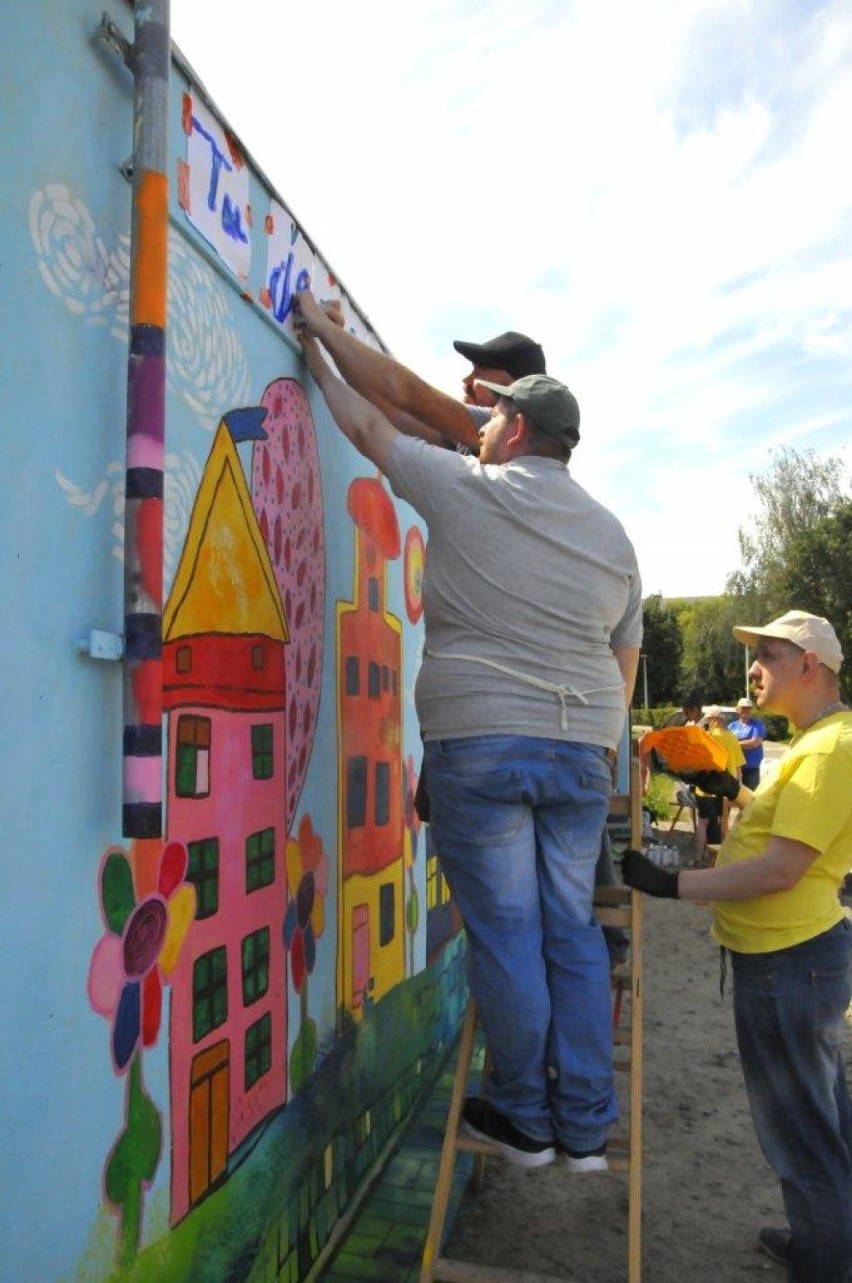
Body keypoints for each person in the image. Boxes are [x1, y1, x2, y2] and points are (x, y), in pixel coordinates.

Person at [294, 289, 643, 1173]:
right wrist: (599, 747)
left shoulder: (469, 488)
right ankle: (585, 1123)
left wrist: (315, 347)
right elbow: (622, 661)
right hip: (581, 754)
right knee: (569, 932)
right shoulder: (615, 539)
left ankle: (525, 1115)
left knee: (510, 935)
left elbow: (373, 429)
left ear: (517, 430)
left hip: (485, 745)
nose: (478, 426)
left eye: (492, 419)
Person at [621, 610, 852, 1283]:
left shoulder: (830, 748)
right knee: (821, 1113)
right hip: (791, 959)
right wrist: (736, 792)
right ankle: (822, 1237)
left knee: (801, 1127)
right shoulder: (816, 740)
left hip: (788, 963)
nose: (755, 668)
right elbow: (786, 836)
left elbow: (782, 869)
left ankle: (826, 1260)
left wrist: (672, 884)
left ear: (809, 664)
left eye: (769, 655)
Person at [693, 705, 744, 858]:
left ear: (714, 720)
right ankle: (721, 859)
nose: (708, 722)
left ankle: (698, 857)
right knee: (724, 825)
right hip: (727, 789)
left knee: (702, 825)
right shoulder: (733, 737)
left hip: (707, 789)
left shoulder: (709, 736)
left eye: (709, 720)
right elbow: (738, 767)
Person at [729, 696, 766, 789]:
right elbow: (726, 742)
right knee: (735, 795)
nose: (745, 710)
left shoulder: (757, 725)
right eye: (743, 708)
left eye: (748, 708)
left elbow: (754, 743)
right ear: (737, 709)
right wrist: (745, 744)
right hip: (735, 766)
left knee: (750, 795)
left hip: (751, 766)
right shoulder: (732, 726)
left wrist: (735, 744)